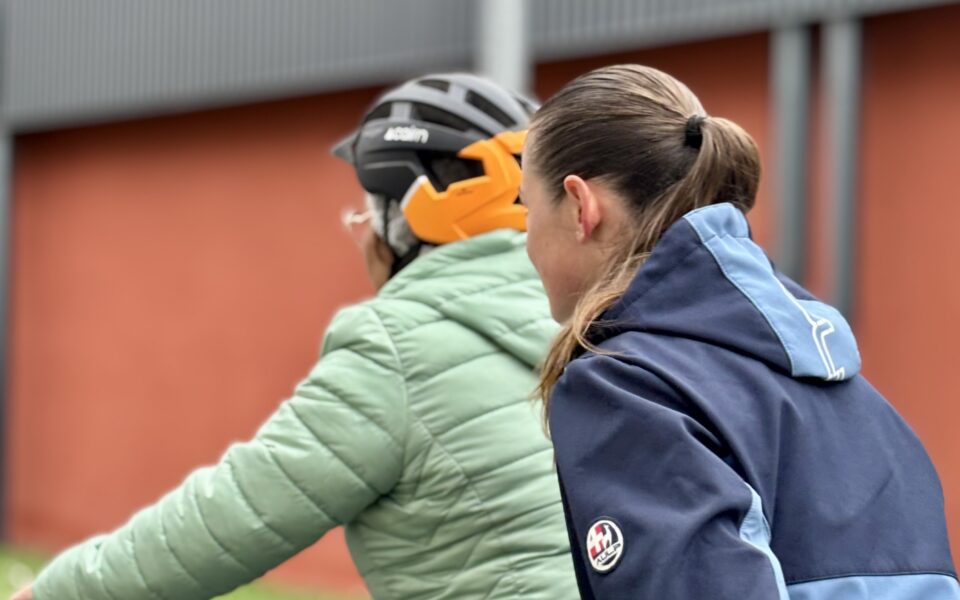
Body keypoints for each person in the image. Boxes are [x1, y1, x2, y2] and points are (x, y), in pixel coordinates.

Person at [14, 73, 577, 600]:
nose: (363, 239)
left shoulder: (399, 347)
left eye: (369, 216)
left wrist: (55, 593)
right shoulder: (580, 318)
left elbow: (232, 518)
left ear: (412, 217)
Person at [519, 63, 959, 599]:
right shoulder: (850, 392)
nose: (526, 239)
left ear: (580, 206)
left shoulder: (628, 387)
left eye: (527, 208)